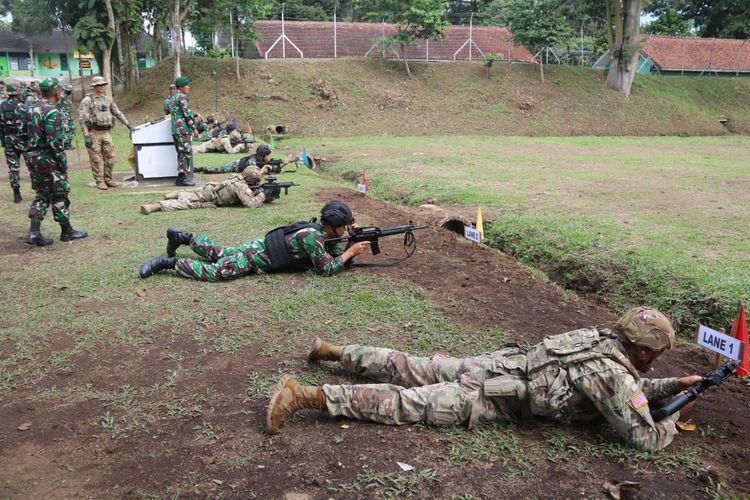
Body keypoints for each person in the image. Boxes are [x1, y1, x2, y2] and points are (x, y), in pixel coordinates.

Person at [266, 307, 704, 451]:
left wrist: (670, 387)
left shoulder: (599, 340)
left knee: (408, 363)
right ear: (643, 349)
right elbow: (641, 436)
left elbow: (621, 390)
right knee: (407, 403)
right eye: (656, 357)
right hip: (493, 396)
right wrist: (669, 420)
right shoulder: (611, 374)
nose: (655, 363)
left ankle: (332, 351)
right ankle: (303, 396)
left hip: (492, 366)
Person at [138, 200, 369, 282]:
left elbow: (331, 252)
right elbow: (326, 267)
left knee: (220, 252)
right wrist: (350, 253)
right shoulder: (312, 237)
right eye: (343, 226)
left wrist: (350, 241)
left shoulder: (318, 231)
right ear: (331, 225)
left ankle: (183, 237)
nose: (345, 229)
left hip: (254, 249)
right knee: (217, 271)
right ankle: (168, 264)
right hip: (252, 260)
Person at [23, 78, 87, 246]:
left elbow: (24, 135)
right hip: (48, 158)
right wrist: (61, 162)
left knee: (42, 193)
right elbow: (55, 142)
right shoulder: (52, 111)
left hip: (33, 157)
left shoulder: (30, 109)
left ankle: (34, 232)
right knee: (59, 193)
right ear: (57, 91)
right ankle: (67, 231)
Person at [139, 164, 267, 214]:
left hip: (210, 188)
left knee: (193, 194)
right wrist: (262, 195)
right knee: (188, 205)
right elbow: (250, 204)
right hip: (211, 199)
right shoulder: (242, 187)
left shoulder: (237, 178)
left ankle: (177, 194)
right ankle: (156, 206)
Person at [79, 75, 132, 190]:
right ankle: (100, 181)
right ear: (94, 87)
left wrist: (128, 125)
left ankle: (108, 179)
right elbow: (82, 119)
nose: (102, 87)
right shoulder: (87, 101)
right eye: (100, 85)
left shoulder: (108, 99)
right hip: (94, 133)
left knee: (111, 157)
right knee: (96, 159)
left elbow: (117, 113)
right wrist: (86, 136)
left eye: (103, 85)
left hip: (106, 133)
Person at [169, 76, 203, 186]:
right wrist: (194, 129)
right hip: (183, 130)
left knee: (181, 153)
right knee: (186, 153)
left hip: (175, 129)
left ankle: (182, 177)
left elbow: (178, 113)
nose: (188, 87)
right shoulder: (182, 97)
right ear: (182, 87)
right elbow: (187, 115)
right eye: (187, 85)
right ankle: (182, 178)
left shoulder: (173, 97)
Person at [0, 83, 26, 203]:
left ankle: (16, 193)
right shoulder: (22, 106)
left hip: (8, 139)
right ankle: (40, 191)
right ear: (17, 93)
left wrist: (3, 141)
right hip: (23, 140)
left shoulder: (2, 106)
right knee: (32, 166)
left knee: (13, 168)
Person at [195, 144, 281, 174]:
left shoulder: (261, 160)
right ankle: (200, 168)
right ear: (263, 155)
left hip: (239, 165)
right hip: (235, 166)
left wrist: (283, 164)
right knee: (217, 169)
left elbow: (273, 169)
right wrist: (265, 167)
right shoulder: (252, 160)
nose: (268, 157)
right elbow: (254, 173)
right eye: (267, 155)